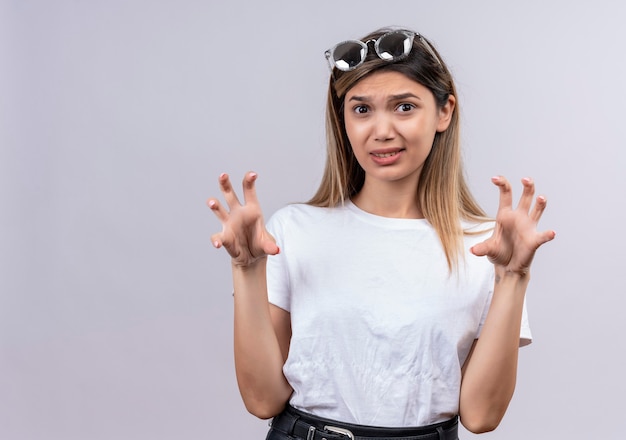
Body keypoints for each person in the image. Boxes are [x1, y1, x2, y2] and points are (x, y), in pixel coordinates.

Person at [207, 27, 555, 440]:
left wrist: (513, 276)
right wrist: (247, 269)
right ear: (343, 119)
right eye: (361, 110)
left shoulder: (485, 247)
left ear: (444, 112)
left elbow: (481, 416)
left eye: (404, 107)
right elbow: (262, 399)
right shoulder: (292, 231)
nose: (381, 130)